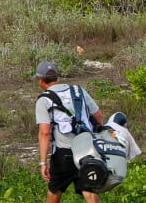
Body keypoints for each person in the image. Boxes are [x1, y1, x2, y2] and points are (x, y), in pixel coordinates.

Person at [35, 62, 104, 203]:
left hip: (63, 154)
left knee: (54, 193)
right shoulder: (79, 91)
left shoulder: (44, 100)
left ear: (40, 80)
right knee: (89, 191)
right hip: (87, 150)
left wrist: (43, 163)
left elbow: (45, 133)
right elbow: (98, 116)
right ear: (57, 77)